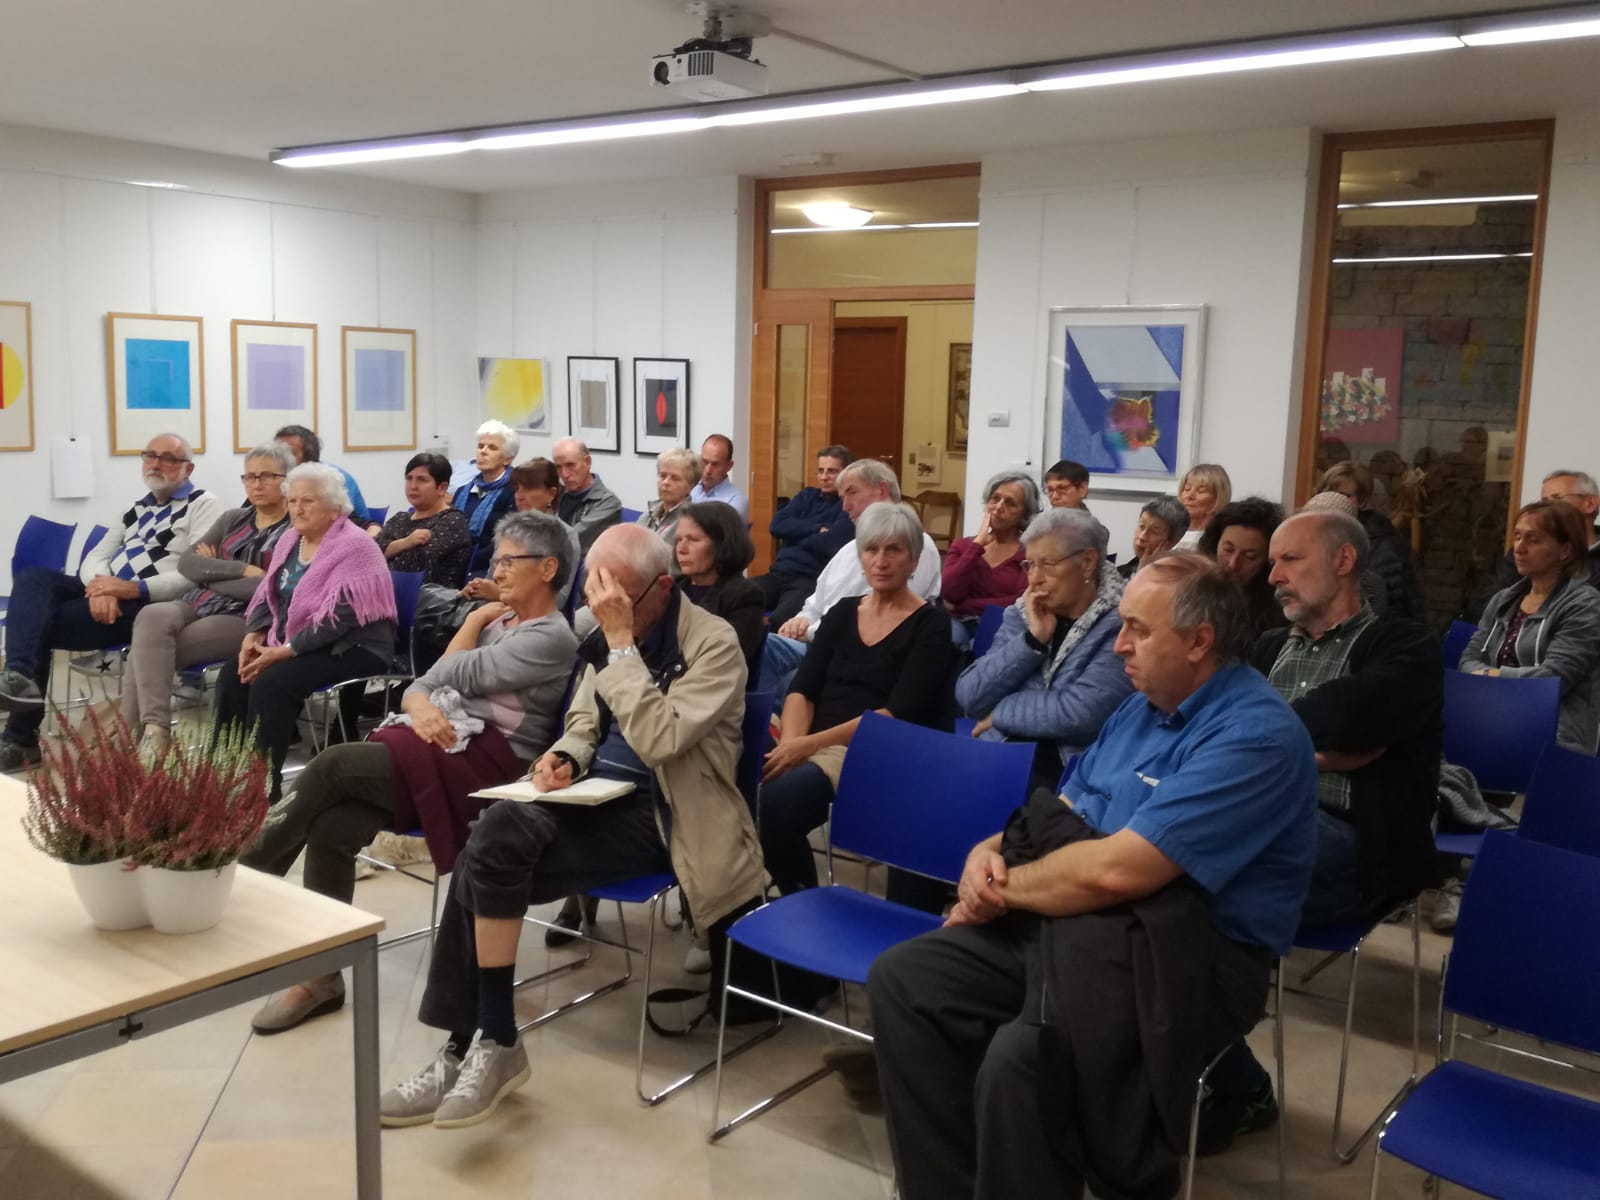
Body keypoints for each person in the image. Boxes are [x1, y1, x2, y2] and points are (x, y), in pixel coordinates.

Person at [869, 553, 1318, 1200]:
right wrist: (985, 855)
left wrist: (999, 893)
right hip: (1080, 926)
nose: (1118, 644)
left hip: (1188, 957)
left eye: (1137, 627)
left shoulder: (1259, 737)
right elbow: (1062, 815)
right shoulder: (1140, 705)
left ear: (1199, 642)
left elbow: (1120, 872)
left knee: (1023, 1062)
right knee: (906, 979)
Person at [378, 524, 766, 1130]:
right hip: (592, 797)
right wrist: (562, 757)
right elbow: (586, 721)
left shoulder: (714, 644)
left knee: (484, 858)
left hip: (667, 815)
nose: (599, 609)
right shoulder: (603, 630)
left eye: (616, 599)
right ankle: (480, 1043)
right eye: (594, 594)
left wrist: (619, 645)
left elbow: (659, 738)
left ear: (662, 588)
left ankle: (477, 1046)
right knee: (491, 839)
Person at [241, 511, 580, 1034]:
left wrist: (427, 687)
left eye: (511, 560)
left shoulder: (551, 636)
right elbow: (428, 683)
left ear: (549, 568)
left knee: (332, 764)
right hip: (446, 739)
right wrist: (430, 685)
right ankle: (321, 976)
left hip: (493, 762)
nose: (499, 569)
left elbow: (445, 673)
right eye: (498, 558)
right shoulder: (498, 621)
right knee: (332, 830)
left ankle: (245, 872)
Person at [1197, 510, 1442, 1150]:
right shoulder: (1267, 648)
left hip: (1350, 838)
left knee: (1187, 897)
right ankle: (1187, 1061)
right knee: (1154, 888)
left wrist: (1261, 741)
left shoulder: (1403, 646)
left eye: (1289, 561)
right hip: (1253, 820)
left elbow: (1350, 710)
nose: (1271, 576)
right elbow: (1206, 724)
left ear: (1342, 562)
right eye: (1272, 563)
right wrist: (1310, 748)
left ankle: (1232, 1083)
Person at [760, 502, 953, 899]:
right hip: (811, 739)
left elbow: (895, 713)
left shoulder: (931, 624)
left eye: (894, 550)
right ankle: (781, 896)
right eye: (871, 549)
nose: (880, 561)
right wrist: (792, 745)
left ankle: (799, 901)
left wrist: (805, 747)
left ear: (914, 560)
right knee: (743, 780)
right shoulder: (844, 612)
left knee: (776, 803)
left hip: (871, 747)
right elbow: (803, 688)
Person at [0, 434, 224, 771]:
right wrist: (102, 589)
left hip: (147, 605)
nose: (156, 464)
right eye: (150, 456)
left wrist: (131, 590)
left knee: (35, 624)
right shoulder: (133, 508)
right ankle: (17, 676)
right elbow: (96, 556)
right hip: (108, 592)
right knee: (34, 578)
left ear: (187, 467)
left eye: (167, 458)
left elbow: (195, 573)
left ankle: (21, 737)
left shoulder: (204, 505)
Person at [211, 463, 397, 802]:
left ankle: (260, 790)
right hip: (296, 639)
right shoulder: (290, 539)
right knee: (232, 675)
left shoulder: (356, 547)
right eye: (293, 500)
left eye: (307, 501)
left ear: (334, 508)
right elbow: (269, 594)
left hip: (355, 645)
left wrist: (282, 651)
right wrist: (254, 635)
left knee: (271, 682)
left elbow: (338, 620)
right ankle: (222, 775)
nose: (296, 508)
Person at [117, 442, 294, 762]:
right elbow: (188, 564)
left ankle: (131, 744)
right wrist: (241, 570)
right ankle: (154, 733)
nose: (256, 484)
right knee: (151, 615)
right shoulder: (233, 518)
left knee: (145, 657)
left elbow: (271, 588)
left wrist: (211, 574)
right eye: (250, 476)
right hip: (199, 601)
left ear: (287, 479)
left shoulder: (295, 528)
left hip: (249, 618)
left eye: (266, 476)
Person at [955, 507, 1133, 792]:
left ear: (1087, 562)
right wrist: (1032, 642)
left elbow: (1082, 713)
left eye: (1047, 564)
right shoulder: (1025, 613)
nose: (1033, 579)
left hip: (1066, 775)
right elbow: (970, 694)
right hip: (997, 753)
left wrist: (1000, 713)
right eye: (1029, 565)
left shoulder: (1122, 622)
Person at [763, 461, 942, 690]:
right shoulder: (850, 549)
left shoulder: (918, 545)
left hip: (861, 653)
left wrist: (808, 632)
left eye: (852, 493)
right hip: (818, 641)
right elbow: (816, 602)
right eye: (842, 497)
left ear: (882, 490)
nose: (845, 506)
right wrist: (801, 619)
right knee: (758, 646)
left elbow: (889, 617)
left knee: (790, 682)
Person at [1462, 499, 1600, 753]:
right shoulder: (1504, 600)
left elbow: (1553, 679)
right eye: (1517, 537)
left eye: (1533, 540)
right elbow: (1468, 659)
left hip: (1555, 734)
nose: (1519, 548)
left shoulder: (1585, 604)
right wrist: (1489, 677)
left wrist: (1493, 676)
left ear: (1565, 551)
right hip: (1495, 722)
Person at [753, 445, 852, 624]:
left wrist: (794, 533)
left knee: (780, 621)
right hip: (777, 575)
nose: (824, 477)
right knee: (731, 598)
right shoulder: (807, 496)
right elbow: (776, 525)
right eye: (820, 471)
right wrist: (817, 529)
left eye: (831, 471)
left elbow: (830, 543)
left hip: (807, 581)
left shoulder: (847, 507)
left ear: (845, 473)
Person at [1316, 461, 1424, 619]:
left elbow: (1390, 609)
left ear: (1361, 501)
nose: (1335, 501)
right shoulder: (1316, 536)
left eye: (1345, 496)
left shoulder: (1382, 546)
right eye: (1329, 493)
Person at [940, 470, 1041, 636]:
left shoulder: (1029, 553)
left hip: (1004, 625)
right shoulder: (963, 546)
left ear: (1024, 513)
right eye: (995, 499)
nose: (999, 507)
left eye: (1010, 503)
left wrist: (962, 605)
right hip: (959, 623)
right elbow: (949, 592)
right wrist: (977, 546)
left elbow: (1019, 602)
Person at [675, 501, 765, 678]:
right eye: (678, 540)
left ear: (722, 544)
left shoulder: (744, 596)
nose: (681, 548)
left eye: (693, 540)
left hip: (708, 689)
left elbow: (724, 660)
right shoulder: (670, 589)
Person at [1486, 468, 1600, 593]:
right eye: (1544, 502)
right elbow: (1492, 601)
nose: (1548, 509)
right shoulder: (1523, 551)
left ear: (1590, 504)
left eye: (1557, 498)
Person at [376, 452, 472, 587]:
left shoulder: (452, 520)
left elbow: (413, 565)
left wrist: (389, 550)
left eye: (422, 480)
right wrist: (406, 542)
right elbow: (371, 553)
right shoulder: (400, 518)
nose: (413, 486)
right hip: (387, 593)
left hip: (429, 600)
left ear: (442, 488)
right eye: (409, 478)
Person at [1197, 497, 1287, 637]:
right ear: (1215, 544)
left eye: (1250, 556)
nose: (1233, 564)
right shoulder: (1191, 588)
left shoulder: (1279, 613)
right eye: (1227, 549)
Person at [452, 421, 519, 579]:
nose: (483, 451)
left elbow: (505, 542)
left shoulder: (514, 492)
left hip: (491, 569)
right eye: (481, 446)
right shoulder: (464, 490)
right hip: (456, 564)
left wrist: (466, 560)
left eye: (492, 447)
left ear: (507, 459)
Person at [274, 424, 374, 527]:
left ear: (308, 456)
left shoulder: (333, 478)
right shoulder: (278, 478)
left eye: (289, 454)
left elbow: (340, 521)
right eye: (277, 454)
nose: (280, 460)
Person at [552, 437, 623, 555]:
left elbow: (570, 539)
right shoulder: (558, 494)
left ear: (587, 462)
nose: (564, 474)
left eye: (571, 465)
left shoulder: (608, 503)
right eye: (558, 467)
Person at [637, 447, 699, 558]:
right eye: (663, 476)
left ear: (690, 487)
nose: (665, 482)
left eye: (675, 478)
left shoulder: (691, 521)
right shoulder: (648, 515)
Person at [1117, 495, 1189, 580]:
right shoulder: (1119, 573)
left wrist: (1143, 574)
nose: (1142, 536)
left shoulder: (1179, 580)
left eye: (1155, 531)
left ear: (1172, 541)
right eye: (1141, 526)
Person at [690, 433, 749, 520]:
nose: (707, 470)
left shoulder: (736, 501)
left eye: (715, 464)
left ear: (729, 466)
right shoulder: (691, 490)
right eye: (704, 462)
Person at [1175, 462, 1231, 547]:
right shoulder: (1168, 532)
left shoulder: (1222, 539)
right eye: (1187, 489)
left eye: (1201, 491)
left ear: (1218, 497)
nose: (1190, 496)